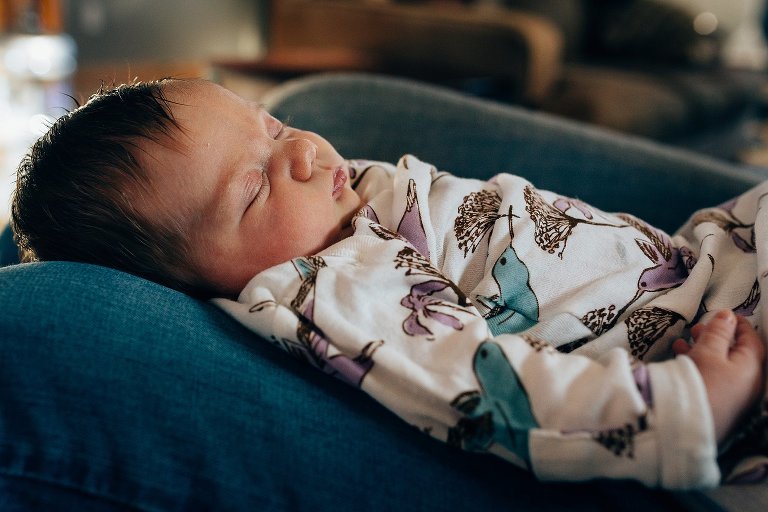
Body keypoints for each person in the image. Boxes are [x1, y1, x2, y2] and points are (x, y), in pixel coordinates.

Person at [10, 77, 767, 488]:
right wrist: (685, 410)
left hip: (713, 255)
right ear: (197, 290)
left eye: (270, 126)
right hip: (706, 336)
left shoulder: (333, 202)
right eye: (253, 188)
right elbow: (483, 386)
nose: (305, 150)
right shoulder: (333, 289)